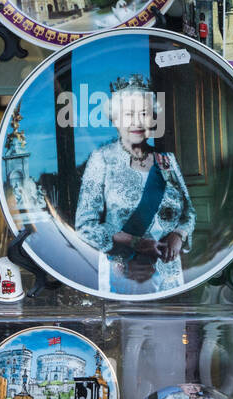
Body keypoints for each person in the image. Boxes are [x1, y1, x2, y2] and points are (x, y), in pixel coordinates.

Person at [74, 75, 195, 295]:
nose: (137, 121)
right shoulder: (102, 158)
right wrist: (136, 242)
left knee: (171, 327)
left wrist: (179, 235)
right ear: (115, 119)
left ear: (153, 119)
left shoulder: (166, 161)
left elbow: (188, 212)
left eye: (144, 113)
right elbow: (85, 226)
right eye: (129, 114)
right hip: (127, 272)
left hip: (169, 273)